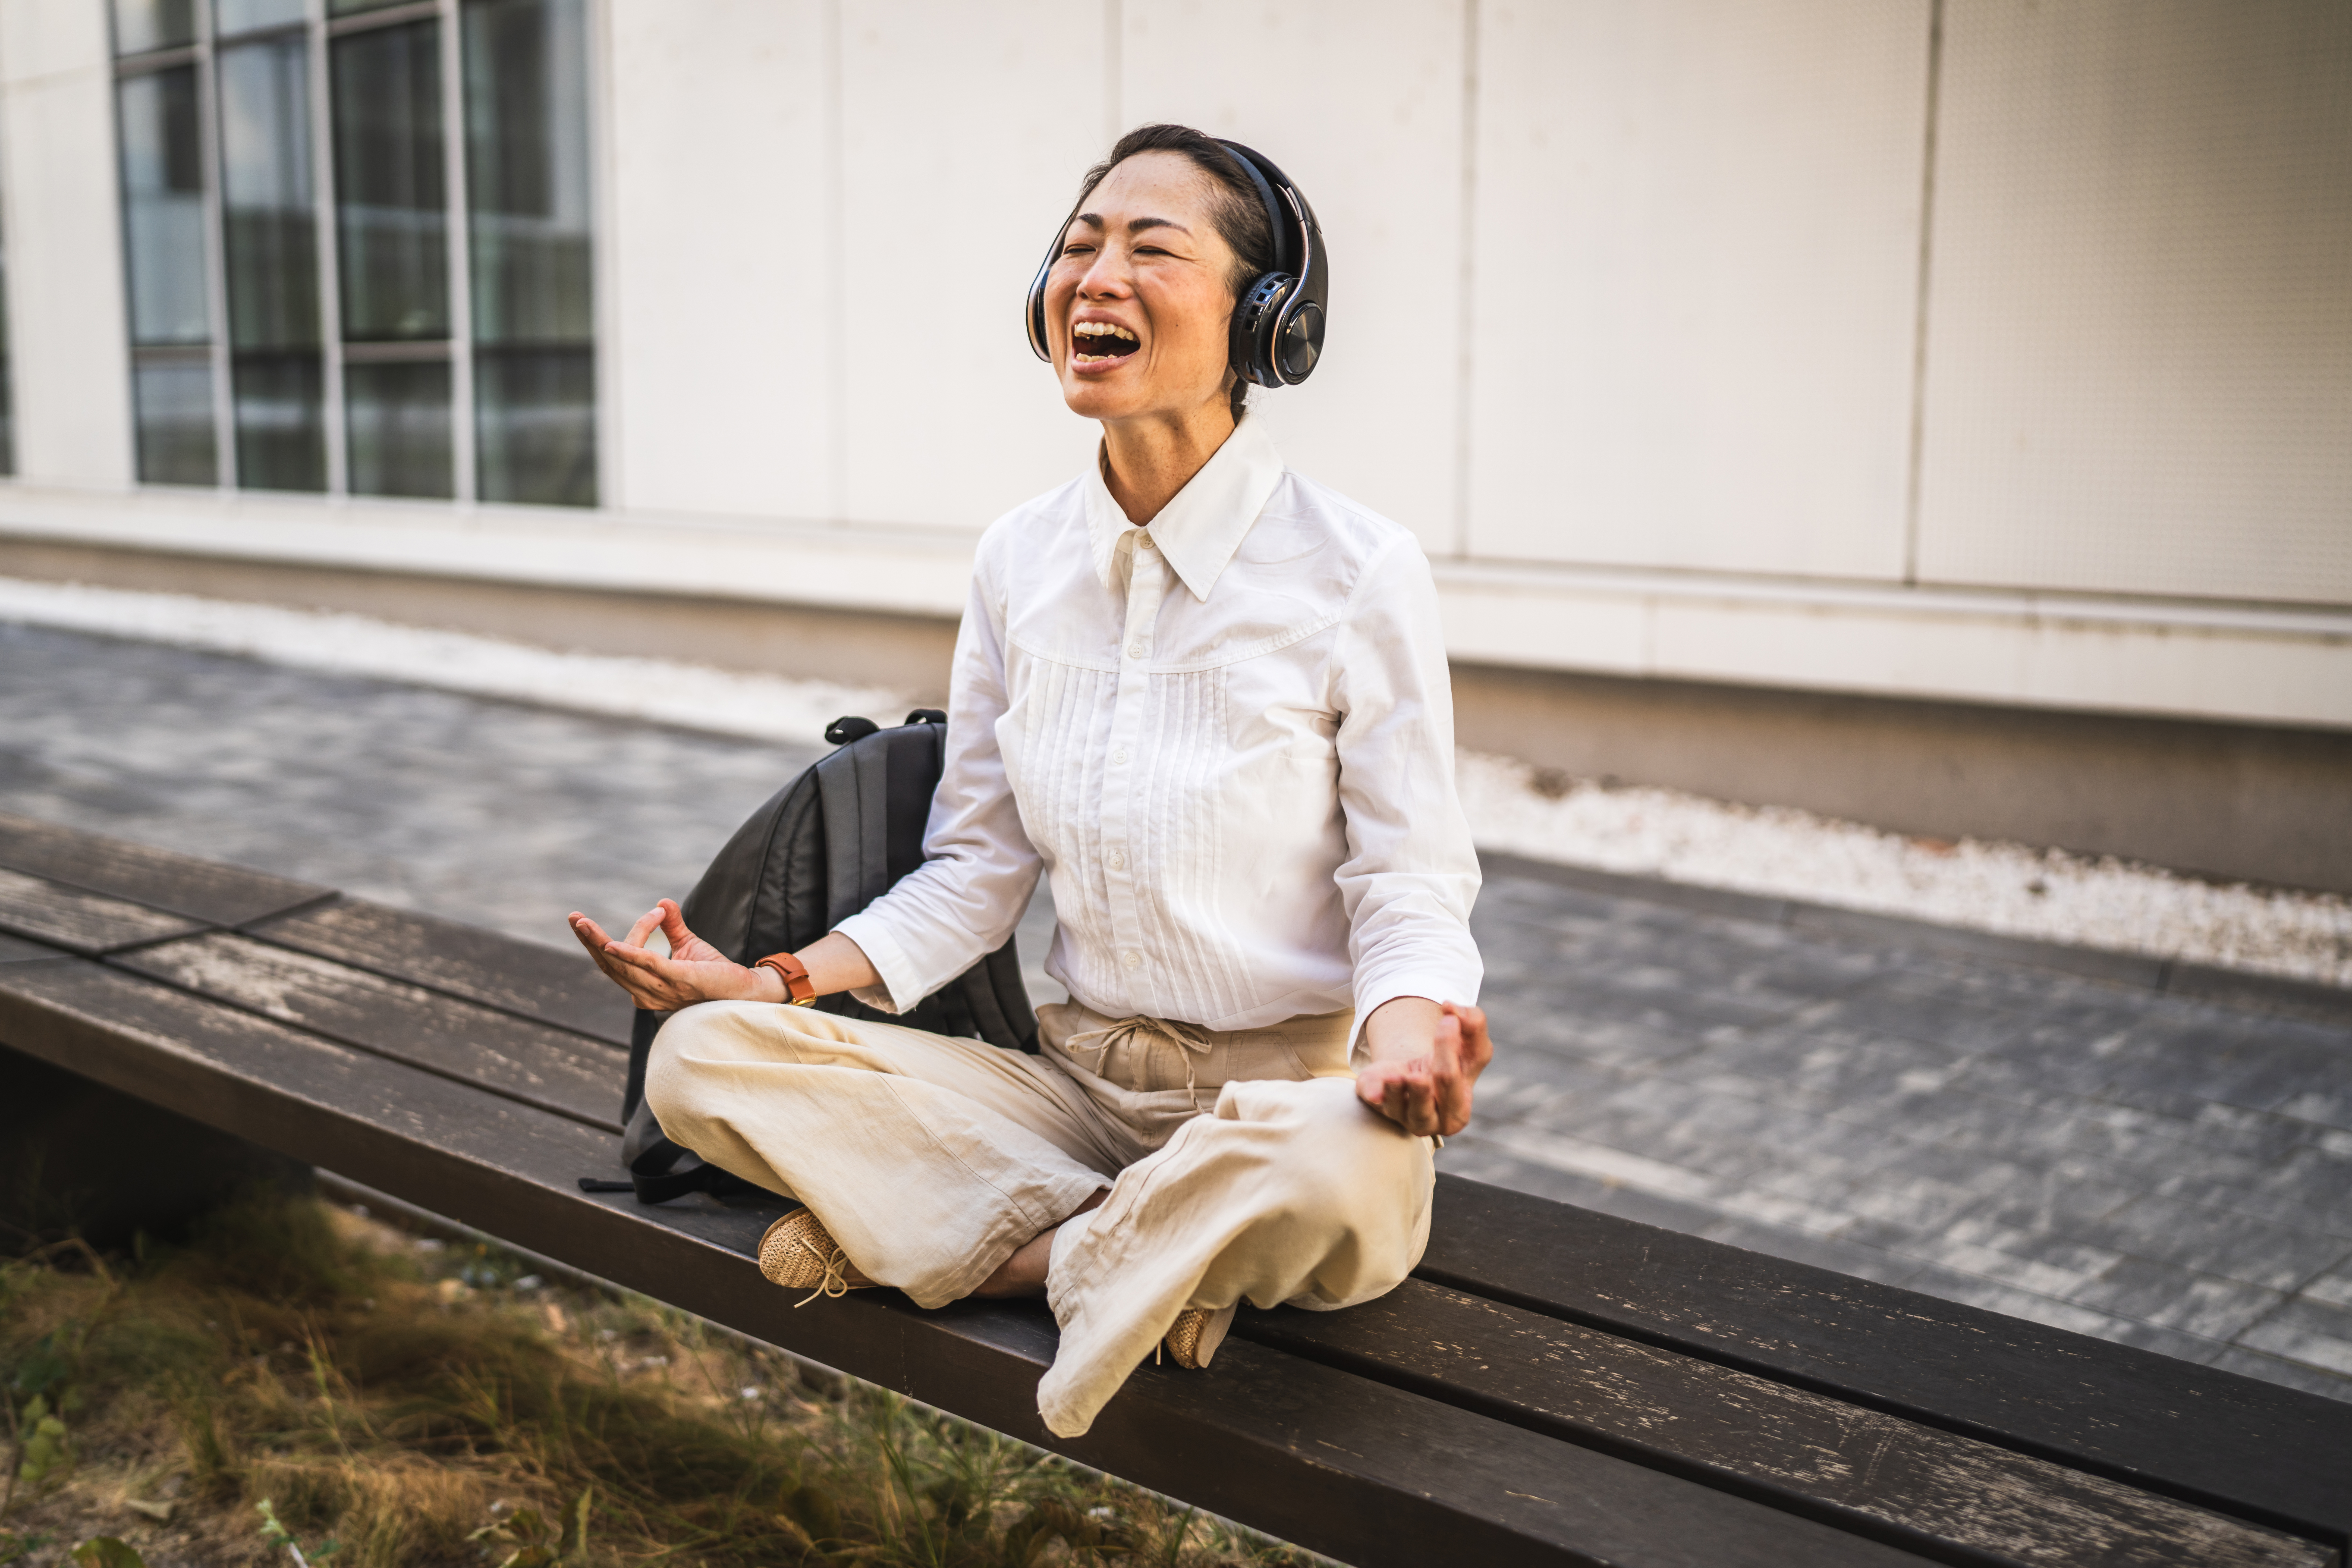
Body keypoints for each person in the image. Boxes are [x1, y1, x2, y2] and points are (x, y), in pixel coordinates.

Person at [568, 123, 1491, 1440]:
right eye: (1076, 247)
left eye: (1149, 248)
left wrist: (1404, 1053)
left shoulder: (1356, 570)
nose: (1095, 275)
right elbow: (975, 876)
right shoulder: (1018, 560)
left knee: (1345, 1174)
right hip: (1064, 1093)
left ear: (1265, 319)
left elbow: (1406, 882)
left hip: (1273, 1102)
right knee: (703, 1062)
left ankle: (981, 1250)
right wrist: (767, 982)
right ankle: (1134, 1267)